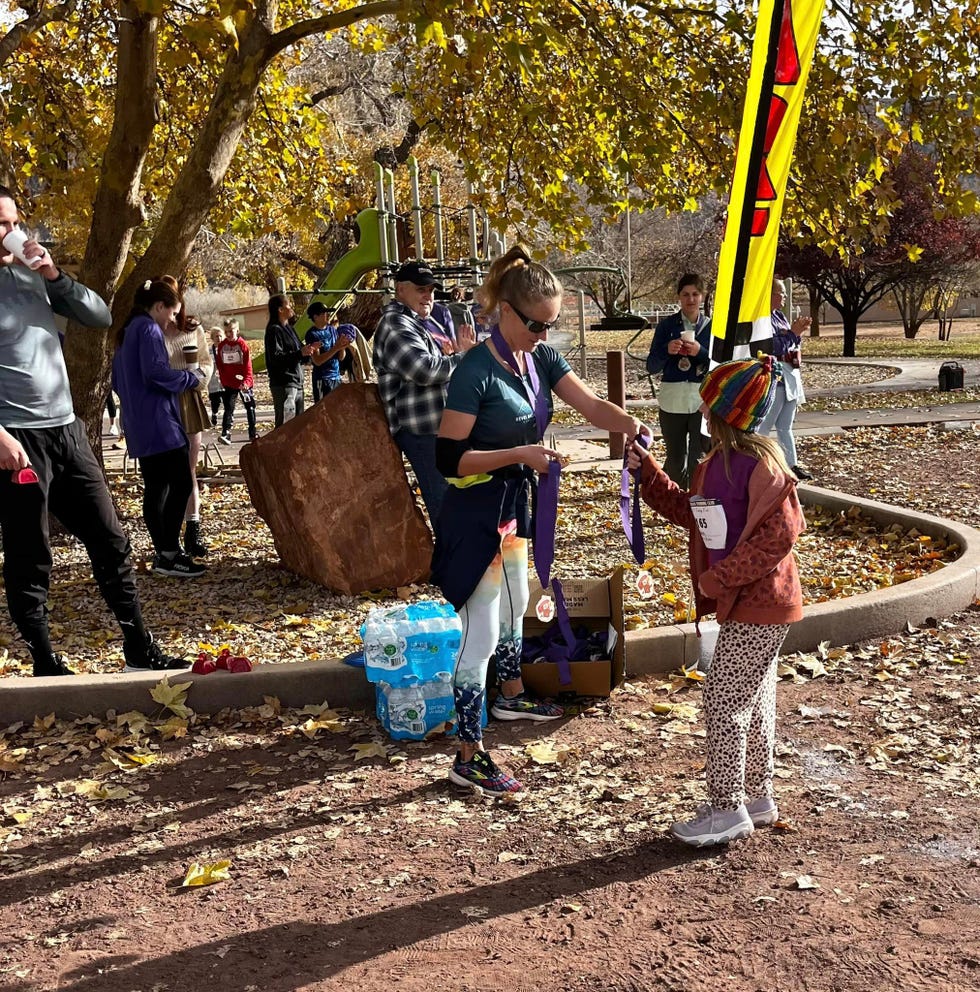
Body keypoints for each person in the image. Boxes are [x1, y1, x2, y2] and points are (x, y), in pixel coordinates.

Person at [432, 246, 648, 797]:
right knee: (478, 634)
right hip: (476, 514)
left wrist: (633, 425)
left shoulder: (538, 359)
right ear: (505, 310)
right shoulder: (473, 372)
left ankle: (508, 697)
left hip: (514, 506)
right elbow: (447, 460)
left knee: (514, 609)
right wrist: (521, 455)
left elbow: (592, 405)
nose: (543, 335)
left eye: (551, 325)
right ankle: (467, 753)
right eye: (536, 325)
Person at [0, 185, 188, 675]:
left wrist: (54, 275)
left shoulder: (32, 276)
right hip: (16, 439)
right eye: (2, 224)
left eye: (15, 221)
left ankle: (138, 645)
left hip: (67, 431)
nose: (12, 232)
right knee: (31, 554)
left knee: (110, 538)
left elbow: (100, 315)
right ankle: (44, 660)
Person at [628, 356, 806, 846]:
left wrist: (720, 579)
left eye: (710, 404)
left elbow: (778, 538)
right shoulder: (714, 468)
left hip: (762, 603)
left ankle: (726, 809)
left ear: (727, 414)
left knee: (725, 699)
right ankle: (757, 795)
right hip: (748, 604)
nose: (703, 411)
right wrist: (650, 474)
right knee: (755, 695)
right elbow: (694, 515)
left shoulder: (765, 468)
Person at [112, 279, 207, 579]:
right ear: (158, 306)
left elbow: (117, 380)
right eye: (170, 313)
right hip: (159, 422)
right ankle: (168, 553)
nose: (170, 322)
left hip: (138, 423)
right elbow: (155, 372)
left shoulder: (126, 331)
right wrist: (190, 379)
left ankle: (164, 552)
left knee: (156, 487)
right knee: (180, 482)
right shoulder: (149, 329)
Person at [373, 260, 477, 522]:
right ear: (399, 290)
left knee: (459, 502)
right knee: (445, 507)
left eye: (431, 289)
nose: (428, 296)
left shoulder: (421, 323)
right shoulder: (394, 324)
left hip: (442, 429)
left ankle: (461, 558)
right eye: (421, 289)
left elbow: (443, 367)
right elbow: (425, 370)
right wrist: (465, 357)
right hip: (421, 432)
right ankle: (452, 561)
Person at [158, 283, 213, 557]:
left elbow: (206, 362)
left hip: (188, 399)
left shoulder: (192, 329)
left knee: (188, 470)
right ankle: (167, 538)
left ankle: (193, 529)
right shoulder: (150, 330)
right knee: (164, 475)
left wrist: (198, 377)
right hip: (161, 402)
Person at [645, 274, 712, 487]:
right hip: (673, 400)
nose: (690, 299)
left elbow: (722, 365)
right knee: (675, 460)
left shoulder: (712, 327)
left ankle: (697, 503)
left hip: (702, 400)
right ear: (679, 298)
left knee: (698, 458)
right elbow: (651, 365)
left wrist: (700, 352)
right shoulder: (666, 327)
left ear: (702, 297)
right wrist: (667, 350)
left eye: (695, 294)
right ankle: (677, 503)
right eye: (685, 294)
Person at [758, 278, 812, 480]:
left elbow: (789, 342)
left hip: (790, 376)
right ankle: (759, 464)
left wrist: (797, 333)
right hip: (774, 379)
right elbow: (770, 347)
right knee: (764, 426)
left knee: (785, 426)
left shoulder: (779, 316)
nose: (785, 297)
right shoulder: (762, 319)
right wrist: (792, 333)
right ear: (770, 294)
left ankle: (792, 465)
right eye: (781, 292)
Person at [265, 294, 320, 427]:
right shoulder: (274, 330)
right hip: (283, 384)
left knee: (297, 426)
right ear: (280, 309)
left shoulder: (290, 329)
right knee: (285, 425)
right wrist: (299, 353)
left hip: (297, 383)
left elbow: (299, 352)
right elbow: (276, 358)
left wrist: (309, 351)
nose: (291, 308)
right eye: (288, 305)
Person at [215, 318, 257, 442]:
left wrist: (246, 382)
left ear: (237, 330)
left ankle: (252, 433)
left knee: (250, 406)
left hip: (244, 382)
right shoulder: (222, 346)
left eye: (231, 331)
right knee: (228, 407)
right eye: (226, 332)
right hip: (229, 383)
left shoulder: (242, 345)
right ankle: (226, 433)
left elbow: (248, 366)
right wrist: (224, 381)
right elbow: (220, 366)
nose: (228, 334)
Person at [304, 302, 352, 402]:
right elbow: (317, 361)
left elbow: (341, 357)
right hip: (322, 379)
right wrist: (336, 347)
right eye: (324, 313)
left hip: (336, 378)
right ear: (316, 317)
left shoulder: (332, 330)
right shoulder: (312, 334)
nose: (328, 315)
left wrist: (342, 346)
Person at [206, 326, 224, 427]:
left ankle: (229, 418)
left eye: (220, 336)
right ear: (212, 338)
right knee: (215, 400)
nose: (219, 338)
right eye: (216, 336)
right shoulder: (209, 352)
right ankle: (214, 413)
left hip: (225, 380)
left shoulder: (227, 349)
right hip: (213, 380)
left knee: (227, 400)